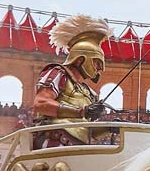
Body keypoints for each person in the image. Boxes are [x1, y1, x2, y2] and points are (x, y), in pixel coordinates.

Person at [32, 15, 112, 149]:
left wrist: (110, 127)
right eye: (97, 62)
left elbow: (88, 131)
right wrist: (82, 111)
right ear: (80, 59)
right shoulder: (58, 73)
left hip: (79, 148)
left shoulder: (89, 93)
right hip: (54, 142)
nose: (100, 69)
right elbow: (40, 103)